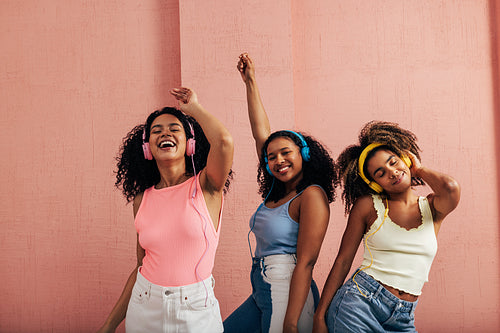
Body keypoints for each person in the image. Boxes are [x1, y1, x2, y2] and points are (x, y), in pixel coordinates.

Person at [97, 87, 234, 333]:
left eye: (174, 129)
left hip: (195, 311)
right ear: (147, 147)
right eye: (156, 131)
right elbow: (141, 265)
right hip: (145, 305)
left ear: (190, 143)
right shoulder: (142, 199)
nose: (164, 134)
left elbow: (224, 142)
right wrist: (108, 325)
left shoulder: (207, 186)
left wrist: (194, 109)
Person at [223, 53, 338, 333]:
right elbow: (260, 133)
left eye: (286, 153)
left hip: (288, 290)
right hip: (263, 286)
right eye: (271, 157)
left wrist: (290, 321)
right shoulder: (278, 190)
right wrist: (250, 82)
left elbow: (307, 262)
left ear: (304, 155)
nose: (278, 160)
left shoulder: (311, 196)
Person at [313, 121, 461, 333]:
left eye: (393, 162)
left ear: (405, 158)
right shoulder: (368, 207)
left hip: (403, 316)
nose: (392, 172)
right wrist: (320, 316)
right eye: (380, 173)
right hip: (358, 305)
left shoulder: (432, 208)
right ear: (375, 183)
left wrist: (418, 168)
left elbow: (450, 187)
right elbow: (343, 260)